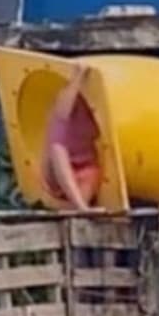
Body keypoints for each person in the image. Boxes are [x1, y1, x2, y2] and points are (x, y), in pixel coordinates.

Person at [41, 64, 101, 211]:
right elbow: (61, 114)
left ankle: (77, 207)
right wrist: (78, 77)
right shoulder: (64, 105)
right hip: (56, 170)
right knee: (57, 149)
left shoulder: (98, 113)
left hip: (83, 171)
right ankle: (81, 206)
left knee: (92, 172)